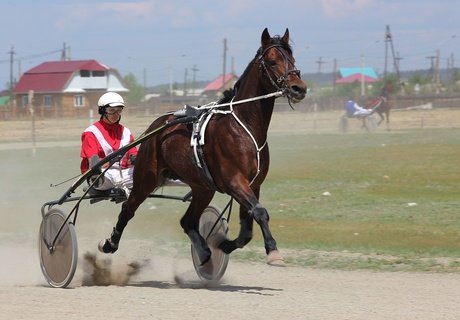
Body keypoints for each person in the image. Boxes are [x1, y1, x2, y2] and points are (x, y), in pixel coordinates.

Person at [80, 92, 137, 197]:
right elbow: (93, 161)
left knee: (150, 171)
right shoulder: (91, 133)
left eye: (119, 111)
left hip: (123, 174)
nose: (116, 114)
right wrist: (102, 163)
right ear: (102, 111)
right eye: (111, 111)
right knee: (109, 176)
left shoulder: (126, 132)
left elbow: (133, 152)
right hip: (100, 177)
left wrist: (135, 158)